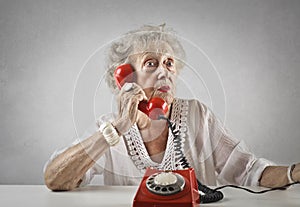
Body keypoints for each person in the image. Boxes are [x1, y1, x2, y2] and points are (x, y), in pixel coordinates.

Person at [44, 24, 300, 191]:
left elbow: (248, 170)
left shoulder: (198, 115)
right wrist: (116, 129)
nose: (165, 72)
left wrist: (293, 173)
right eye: (151, 63)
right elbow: (55, 179)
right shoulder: (109, 130)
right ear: (124, 77)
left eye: (169, 63)